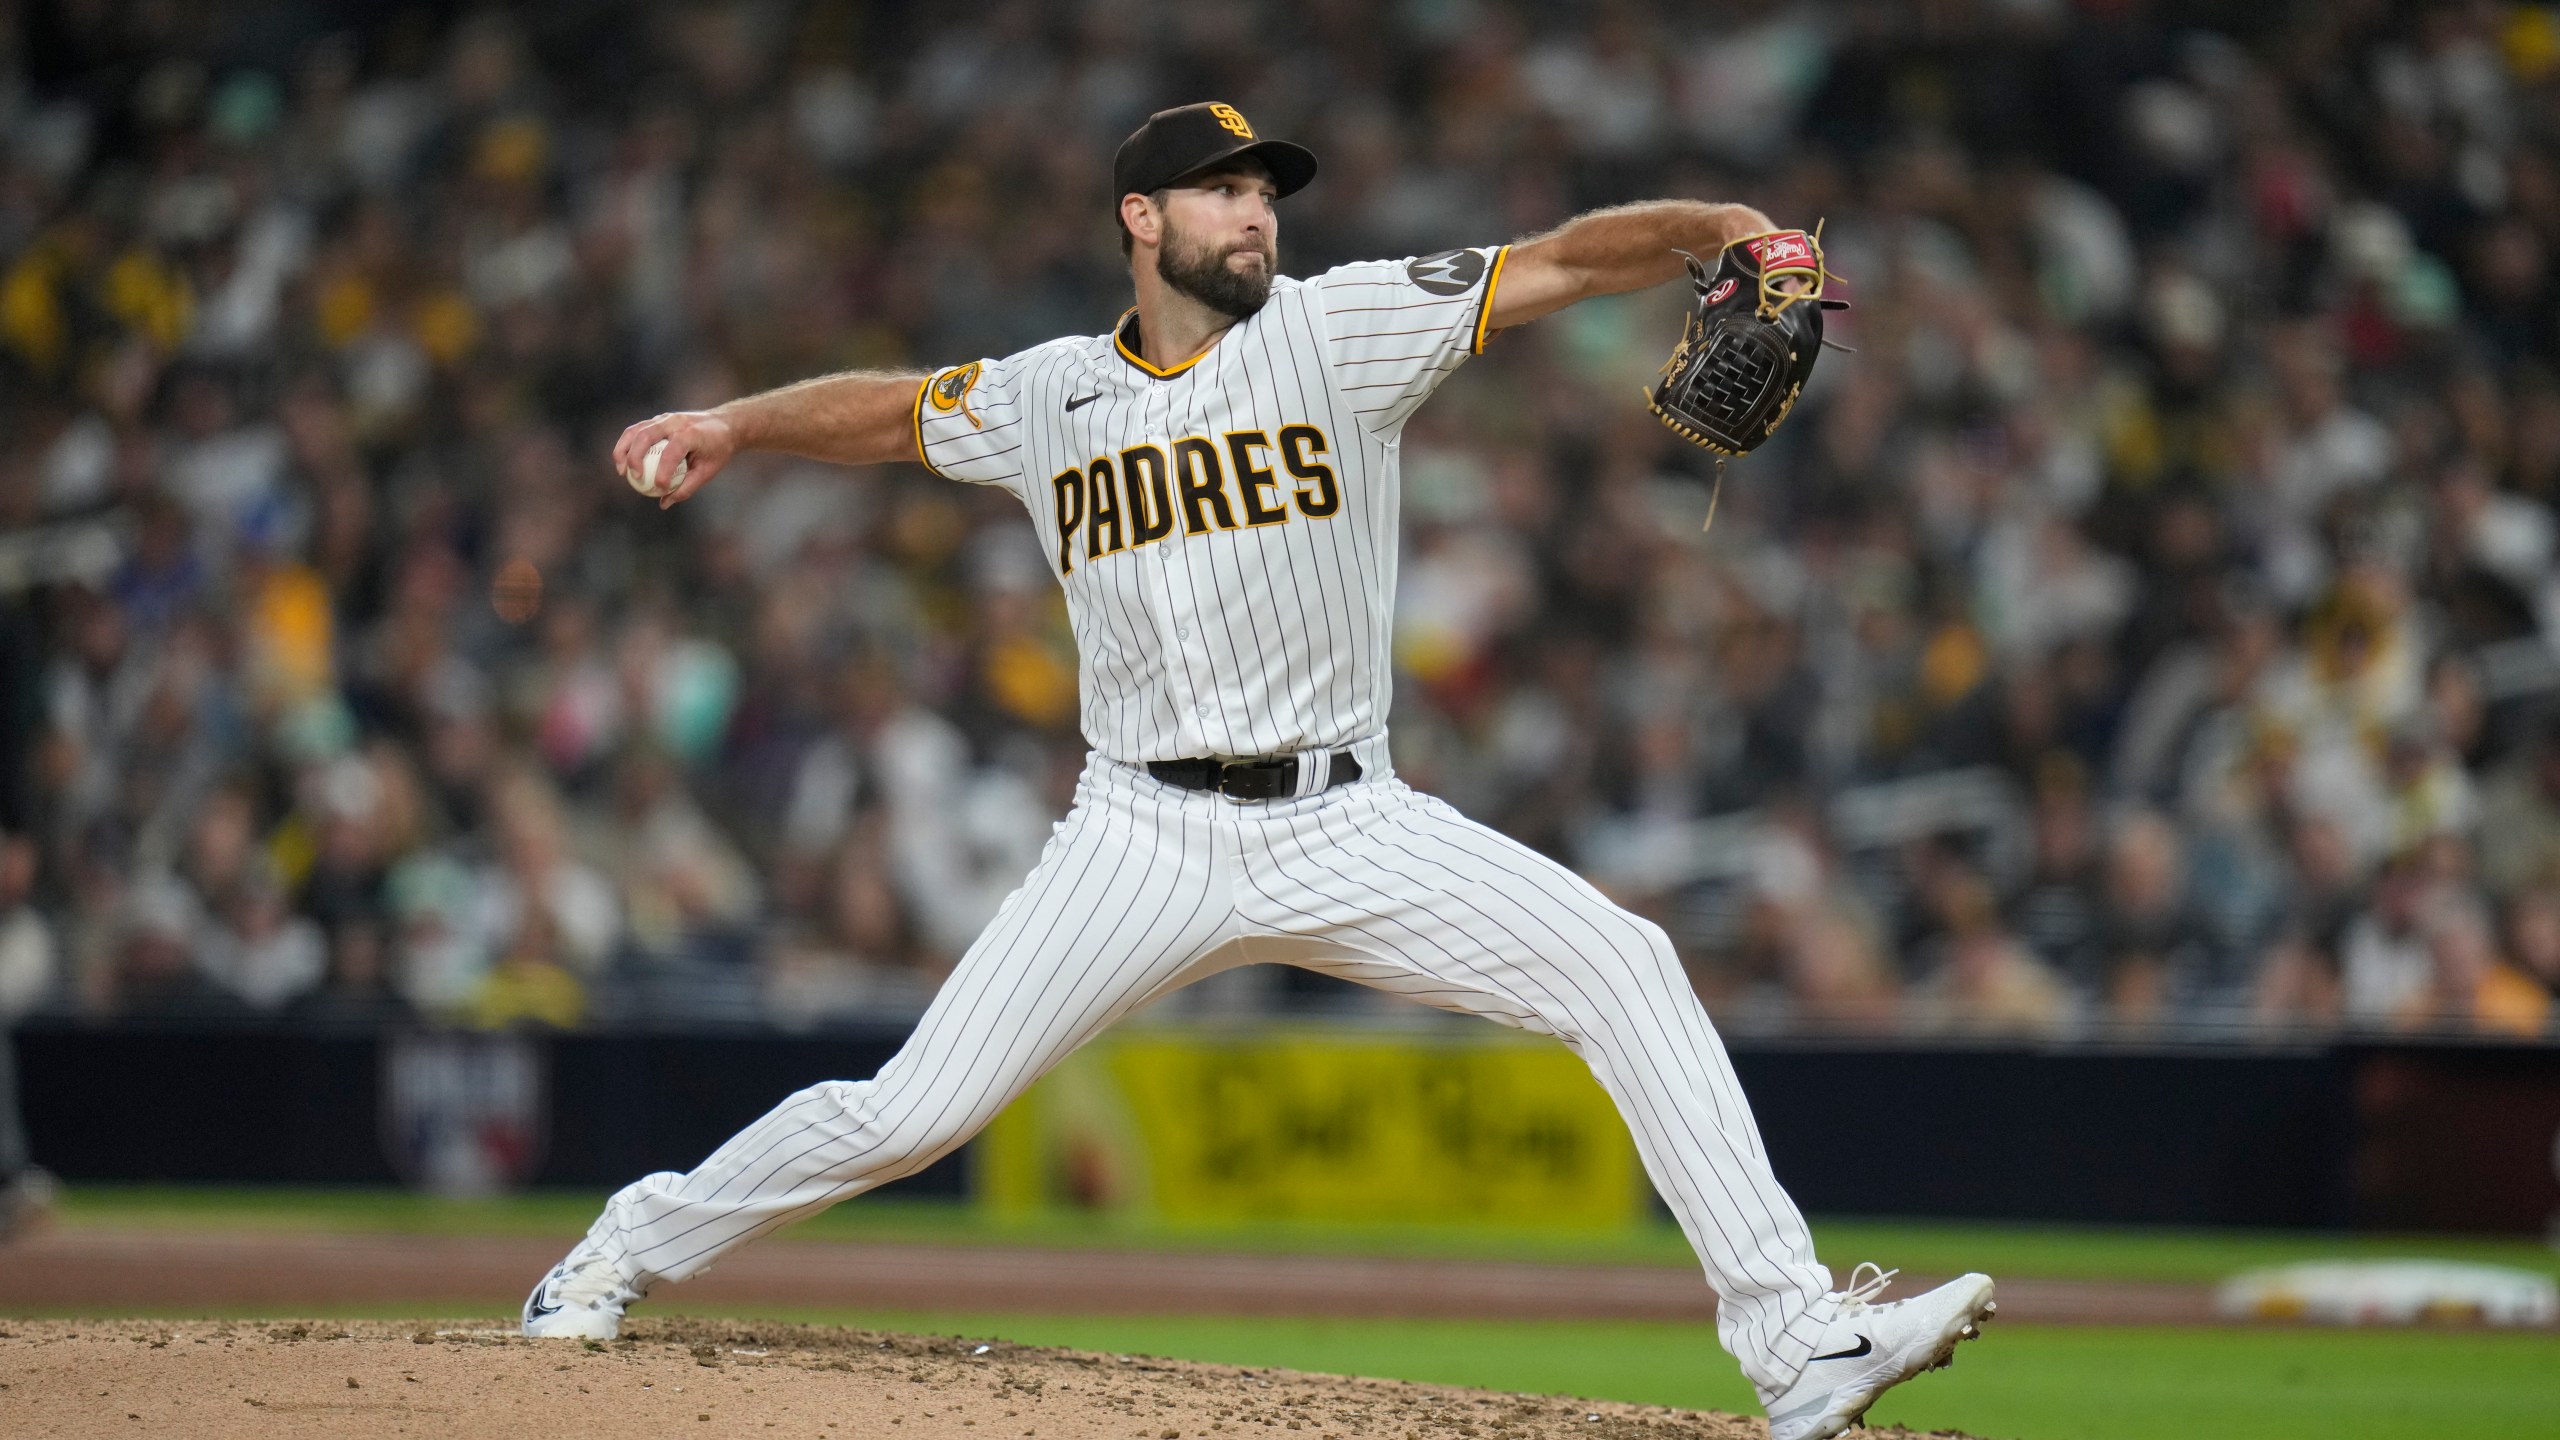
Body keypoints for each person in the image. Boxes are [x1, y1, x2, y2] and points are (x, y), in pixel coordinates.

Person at [520, 103, 1994, 1440]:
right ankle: (624, 1247)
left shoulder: (1342, 326)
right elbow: (900, 411)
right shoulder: (1046, 395)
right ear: (1140, 220)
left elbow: (1557, 264)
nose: (1255, 215)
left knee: (1624, 963)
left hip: (1349, 818)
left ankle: (1796, 1341)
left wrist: (1710, 232)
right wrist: (734, 425)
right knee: (912, 1113)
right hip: (1137, 834)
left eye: (1264, 193)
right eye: (1219, 191)